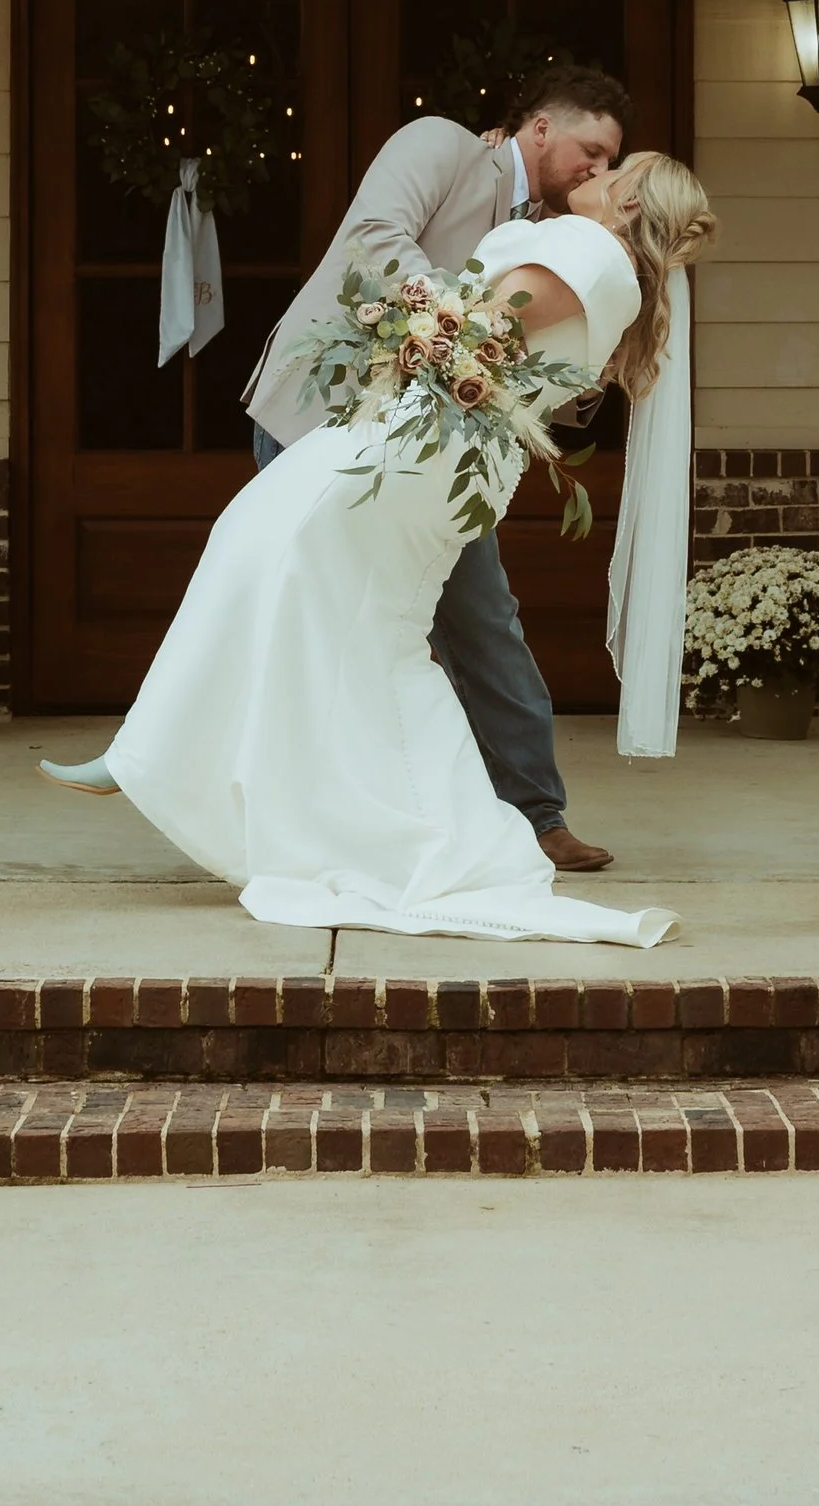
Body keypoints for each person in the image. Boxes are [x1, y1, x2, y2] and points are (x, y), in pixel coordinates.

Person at [42, 154, 718, 947]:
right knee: (318, 598)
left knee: (320, 590)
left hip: (420, 450)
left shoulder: (589, 250)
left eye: (616, 166)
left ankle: (212, 770)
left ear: (630, 196)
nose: (600, 168)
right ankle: (180, 758)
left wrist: (408, 320)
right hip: (431, 446)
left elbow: (482, 331)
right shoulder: (609, 270)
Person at [241, 65, 630, 874]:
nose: (597, 172)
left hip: (444, 456)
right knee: (300, 615)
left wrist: (591, 374)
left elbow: (544, 372)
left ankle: (536, 815)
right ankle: (267, 804)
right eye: (590, 152)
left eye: (611, 163)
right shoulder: (441, 145)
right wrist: (470, 325)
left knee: (484, 615)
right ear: (541, 129)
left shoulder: (567, 236)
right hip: (324, 417)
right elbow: (375, 240)